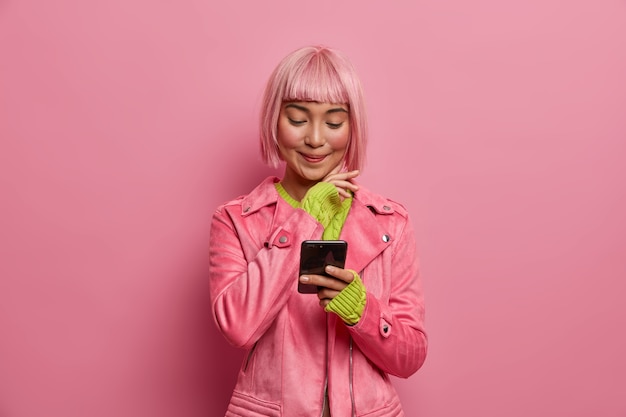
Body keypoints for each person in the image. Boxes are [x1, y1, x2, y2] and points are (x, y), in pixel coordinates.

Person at [208, 45, 427, 417]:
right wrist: (303, 219)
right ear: (274, 122)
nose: (314, 138)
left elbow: (410, 357)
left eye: (334, 122)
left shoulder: (390, 223)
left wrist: (362, 311)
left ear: (352, 127)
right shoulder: (235, 220)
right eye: (297, 119)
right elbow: (237, 327)